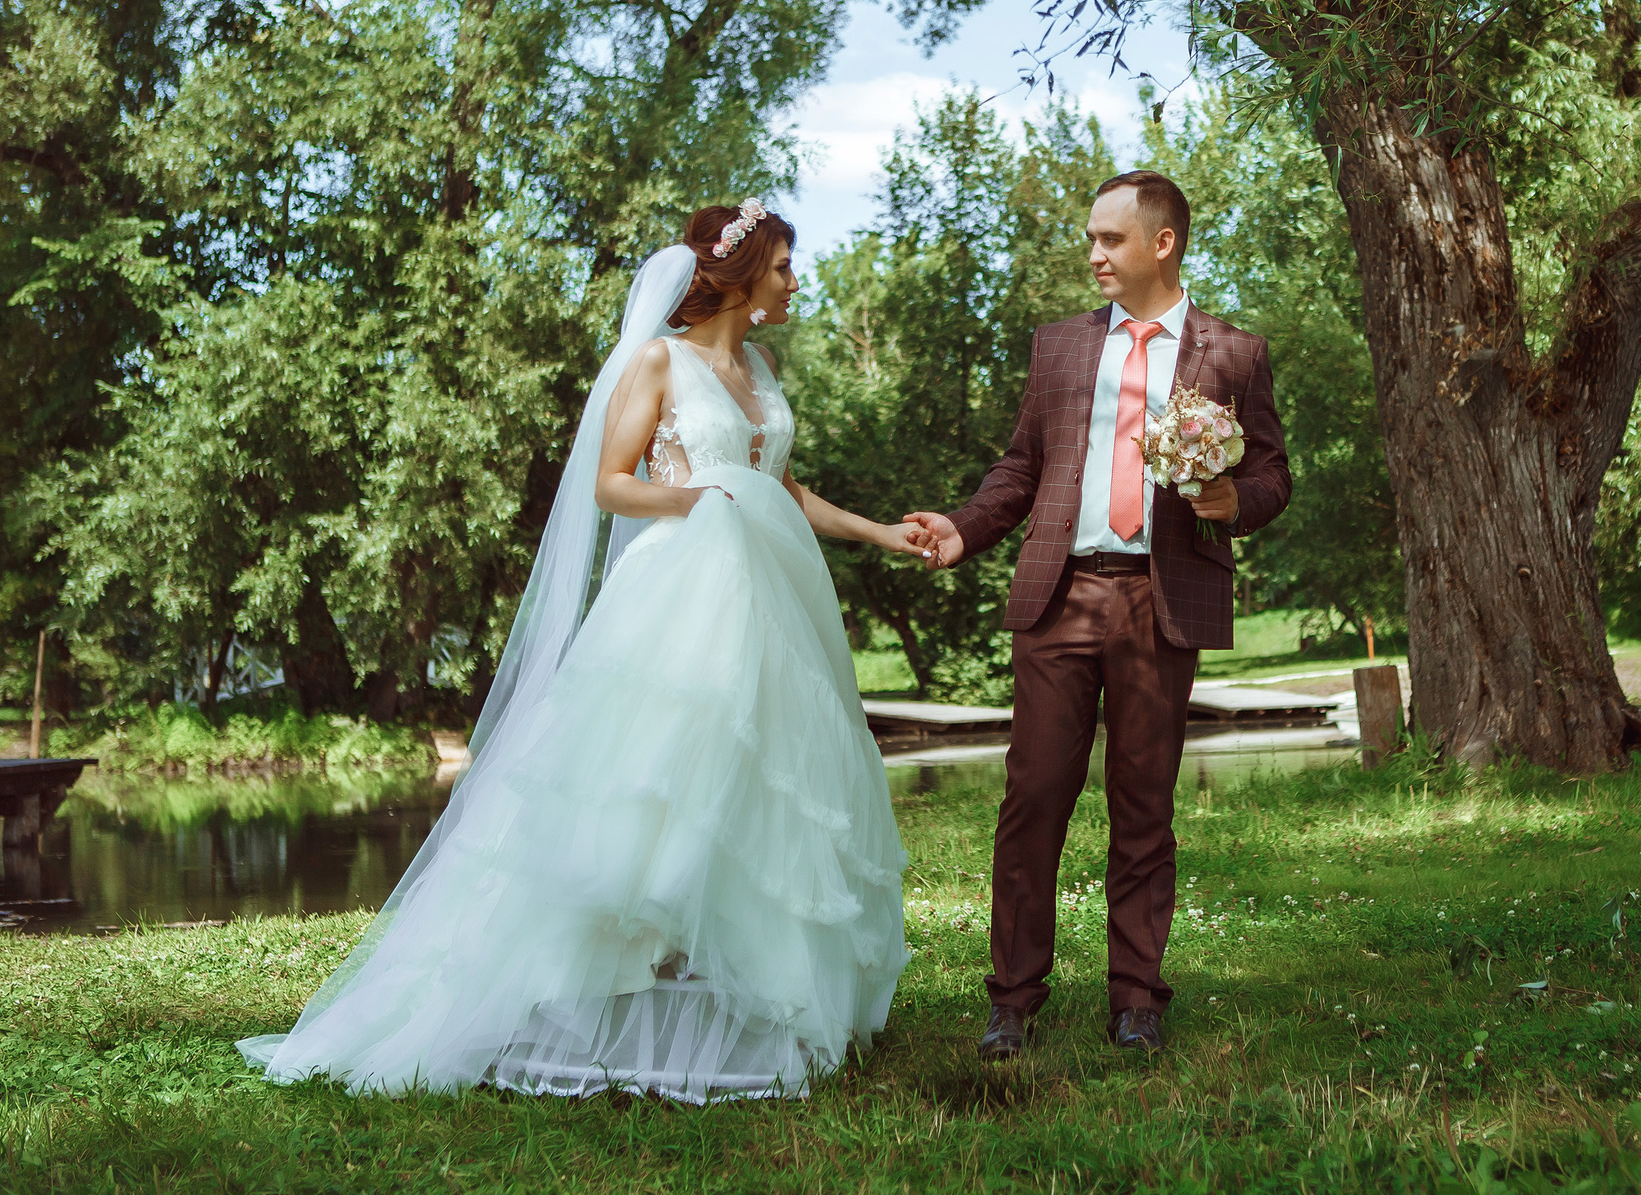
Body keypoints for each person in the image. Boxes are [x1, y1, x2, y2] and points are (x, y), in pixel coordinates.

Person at [239, 204, 927, 1103]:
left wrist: (882, 534)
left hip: (776, 599)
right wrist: (693, 500)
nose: (796, 282)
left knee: (763, 780)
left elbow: (786, 487)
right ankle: (627, 975)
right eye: (787, 265)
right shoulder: (659, 360)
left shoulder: (756, 366)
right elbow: (610, 482)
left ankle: (744, 987)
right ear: (746, 270)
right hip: (686, 590)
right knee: (668, 774)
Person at [905, 171, 1290, 1060]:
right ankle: (1011, 1000)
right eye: (1090, 238)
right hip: (1060, 592)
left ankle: (1137, 999)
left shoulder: (1234, 353)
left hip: (1167, 599)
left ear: (1162, 243)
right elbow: (1019, 469)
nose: (1093, 254)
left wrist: (1238, 500)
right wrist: (964, 531)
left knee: (1144, 806)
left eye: (1109, 239)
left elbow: (1274, 473)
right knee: (1033, 796)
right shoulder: (1061, 348)